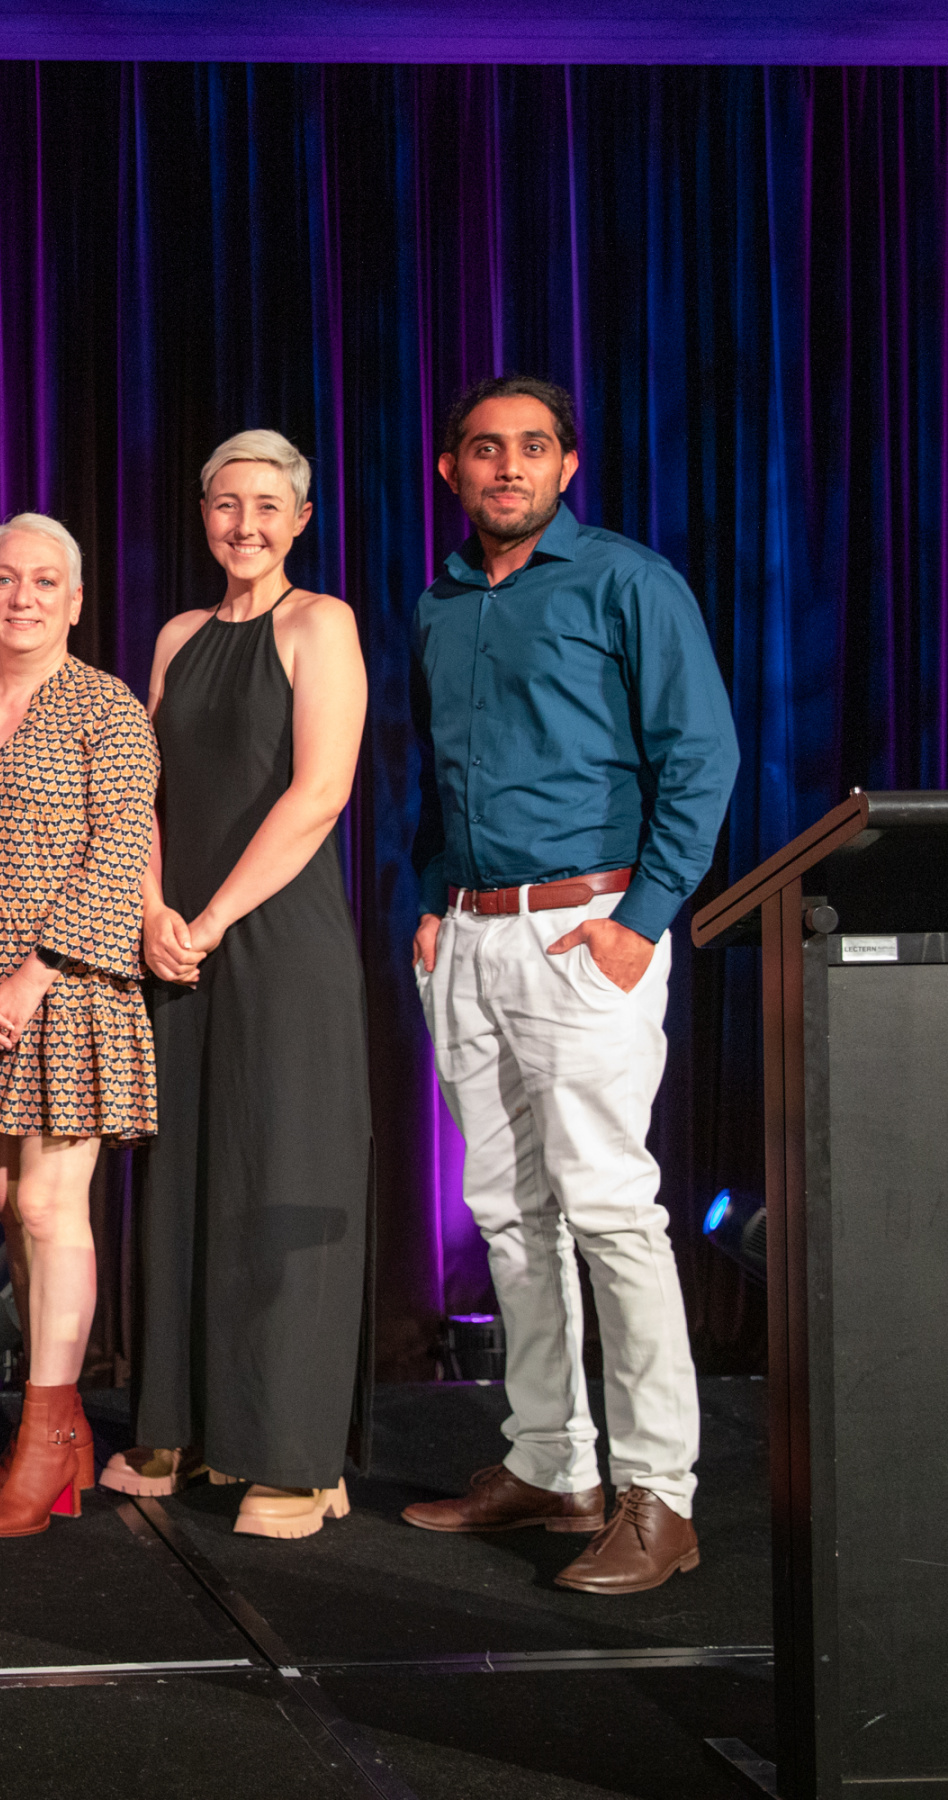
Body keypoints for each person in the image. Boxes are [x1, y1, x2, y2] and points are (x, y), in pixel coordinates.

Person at [401, 375, 737, 1595]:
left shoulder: (627, 582)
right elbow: (434, 771)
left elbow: (702, 756)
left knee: (609, 1212)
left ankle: (662, 1495)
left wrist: (641, 923)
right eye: (484, 449)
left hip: (584, 930)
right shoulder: (442, 600)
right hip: (477, 941)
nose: (507, 468)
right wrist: (435, 900)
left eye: (531, 449)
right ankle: (551, 1461)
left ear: (569, 466)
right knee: (506, 1210)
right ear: (451, 469)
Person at [112, 431, 369, 1538]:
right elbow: (143, 795)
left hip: (279, 940)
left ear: (300, 519)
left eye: (268, 506)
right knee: (186, 1184)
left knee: (281, 1175)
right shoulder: (175, 635)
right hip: (178, 943)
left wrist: (211, 917)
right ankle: (182, 1429)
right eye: (227, 505)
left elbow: (319, 794)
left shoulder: (323, 624)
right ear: (203, 513)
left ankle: (296, 1460)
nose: (246, 525)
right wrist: (153, 910)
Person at [0, 511, 158, 1540]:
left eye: (45, 582)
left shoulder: (108, 707)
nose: (23, 597)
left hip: (69, 994)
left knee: (56, 1213)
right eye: (6, 579)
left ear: (77, 599)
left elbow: (120, 849)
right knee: (12, 1215)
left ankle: (50, 1435)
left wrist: (34, 973)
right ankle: (47, 1443)